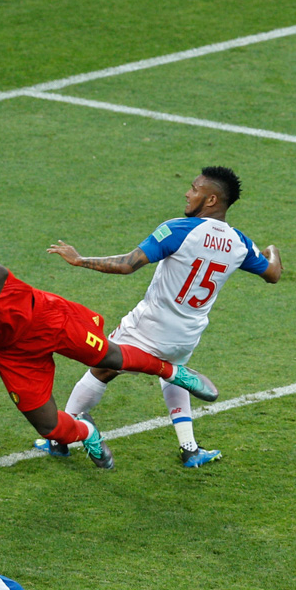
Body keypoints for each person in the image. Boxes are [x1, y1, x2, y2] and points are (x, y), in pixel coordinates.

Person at [0, 233, 222, 470]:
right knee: (48, 427)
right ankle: (87, 432)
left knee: (109, 359)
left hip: (43, 319)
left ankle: (175, 372)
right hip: (9, 353)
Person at [46, 166, 283, 467]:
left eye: (195, 189)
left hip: (148, 327)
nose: (187, 193)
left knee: (100, 367)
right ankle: (190, 449)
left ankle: (60, 439)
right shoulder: (239, 243)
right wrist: (272, 250)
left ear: (211, 200)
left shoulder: (178, 230)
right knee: (173, 373)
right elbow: (273, 273)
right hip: (187, 334)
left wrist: (80, 260)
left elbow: (127, 264)